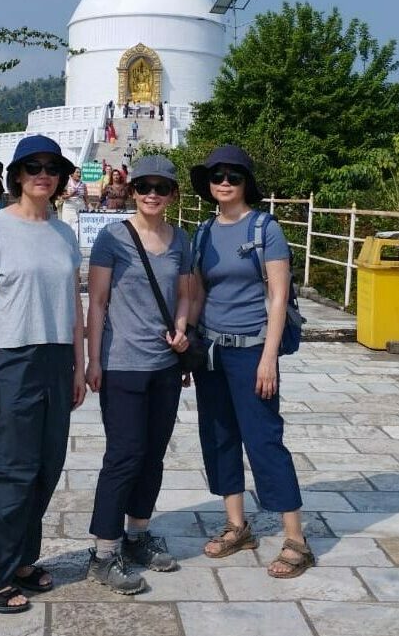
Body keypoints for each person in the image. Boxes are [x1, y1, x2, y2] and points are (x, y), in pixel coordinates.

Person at [0, 135, 87, 614]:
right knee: (6, 472)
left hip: (56, 359)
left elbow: (73, 304)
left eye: (51, 167)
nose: (42, 174)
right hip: (10, 358)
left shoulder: (63, 233)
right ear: (16, 175)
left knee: (44, 468)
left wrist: (78, 364)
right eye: (32, 166)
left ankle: (19, 561)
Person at [189, 144, 314, 578]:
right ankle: (236, 525)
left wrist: (268, 357)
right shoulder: (202, 233)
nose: (224, 183)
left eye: (233, 176)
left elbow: (278, 296)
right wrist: (187, 339)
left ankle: (296, 538)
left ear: (246, 183)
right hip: (211, 351)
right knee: (219, 437)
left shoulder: (265, 229)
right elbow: (199, 292)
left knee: (263, 439)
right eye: (217, 176)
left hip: (252, 349)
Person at [85, 155, 191, 594]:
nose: (152, 194)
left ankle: (138, 534)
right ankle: (104, 552)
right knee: (124, 455)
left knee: (152, 454)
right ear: (131, 190)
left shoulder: (181, 239)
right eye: (144, 186)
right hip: (123, 362)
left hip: (165, 366)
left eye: (161, 187)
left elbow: (185, 294)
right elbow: (96, 301)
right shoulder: (113, 238)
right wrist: (93, 360)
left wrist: (183, 330)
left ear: (172, 194)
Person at [61, 166, 88, 232]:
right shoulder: (67, 183)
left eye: (80, 173)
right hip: (69, 206)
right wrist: (71, 195)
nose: (79, 174)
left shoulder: (83, 184)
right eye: (77, 172)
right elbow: (62, 196)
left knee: (79, 226)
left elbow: (86, 197)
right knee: (68, 226)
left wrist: (88, 207)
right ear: (72, 174)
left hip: (80, 206)